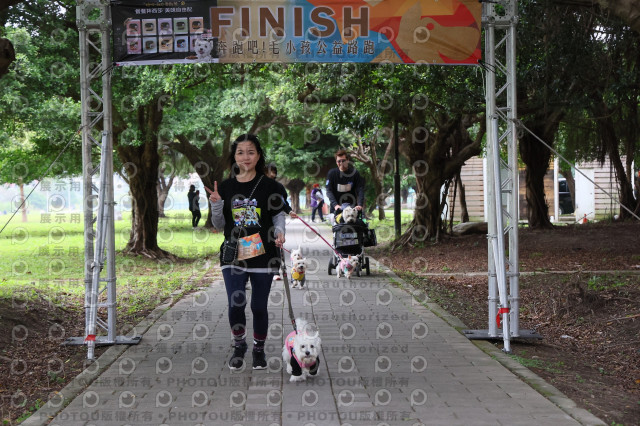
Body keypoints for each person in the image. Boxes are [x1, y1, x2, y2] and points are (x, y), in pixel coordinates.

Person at [206, 134, 287, 371]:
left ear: (259, 155)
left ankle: (259, 350)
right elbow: (219, 225)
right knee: (236, 303)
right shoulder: (226, 187)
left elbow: (278, 216)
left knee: (259, 307)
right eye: (240, 152)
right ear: (234, 157)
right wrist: (216, 204)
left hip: (264, 253)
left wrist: (280, 232)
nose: (246, 157)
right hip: (233, 254)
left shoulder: (271, 186)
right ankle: (239, 345)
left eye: (251, 152)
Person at [265, 163, 297, 281]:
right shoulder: (257, 186)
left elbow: (283, 202)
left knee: (276, 243)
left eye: (274, 172)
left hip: (276, 217)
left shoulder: (278, 187)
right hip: (261, 220)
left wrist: (289, 211)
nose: (272, 175)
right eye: (269, 172)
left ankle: (275, 271)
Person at [325, 149, 365, 216]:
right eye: (339, 161)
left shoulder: (355, 173)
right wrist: (335, 205)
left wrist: (360, 204)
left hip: (352, 208)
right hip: (337, 208)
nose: (341, 163)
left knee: (360, 221)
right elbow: (329, 190)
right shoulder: (332, 173)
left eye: (343, 161)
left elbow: (360, 189)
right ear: (336, 162)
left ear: (347, 160)